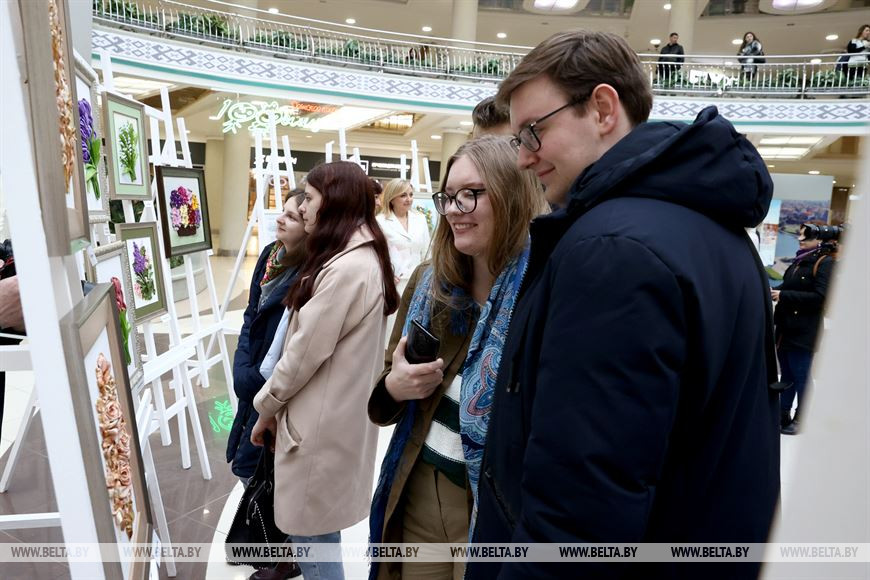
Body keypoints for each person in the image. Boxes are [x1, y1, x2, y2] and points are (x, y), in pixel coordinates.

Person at [469, 30, 780, 579]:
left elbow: (583, 503)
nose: (522, 158)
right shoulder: (713, 230)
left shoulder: (612, 250)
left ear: (603, 109)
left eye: (534, 132)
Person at [368, 136, 545, 580]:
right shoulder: (430, 284)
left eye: (471, 194)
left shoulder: (542, 292)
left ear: (513, 194)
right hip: (420, 488)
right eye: (448, 196)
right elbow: (387, 387)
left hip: (497, 506)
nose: (453, 209)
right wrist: (396, 386)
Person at [251, 161, 399, 580]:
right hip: (330, 423)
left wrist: (265, 408)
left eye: (310, 198)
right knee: (319, 533)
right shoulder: (359, 256)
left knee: (314, 543)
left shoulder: (347, 267)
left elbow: (302, 355)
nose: (303, 208)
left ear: (333, 202)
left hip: (319, 428)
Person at [227, 189, 307, 580]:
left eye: (292, 216)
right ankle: (271, 545)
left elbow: (292, 346)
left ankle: (282, 551)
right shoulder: (270, 256)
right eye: (283, 212)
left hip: (272, 386)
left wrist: (257, 378)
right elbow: (250, 315)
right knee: (246, 462)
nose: (280, 220)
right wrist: (242, 366)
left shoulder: (308, 273)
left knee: (260, 467)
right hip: (252, 376)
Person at [772, 224, 838, 435]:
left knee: (801, 376)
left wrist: (783, 296)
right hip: (786, 328)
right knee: (786, 374)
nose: (800, 240)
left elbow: (820, 297)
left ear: (820, 239)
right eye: (800, 236)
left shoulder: (825, 262)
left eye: (806, 237)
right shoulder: (800, 260)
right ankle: (783, 415)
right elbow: (788, 286)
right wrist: (772, 290)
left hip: (804, 329)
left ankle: (803, 419)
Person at [376, 179, 431, 333]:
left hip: (418, 282)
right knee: (392, 330)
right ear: (392, 198)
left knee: (412, 329)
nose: (409, 199)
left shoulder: (420, 219)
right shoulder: (380, 221)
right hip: (394, 283)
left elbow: (427, 252)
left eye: (411, 195)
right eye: (403, 195)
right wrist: (386, 275)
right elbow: (377, 255)